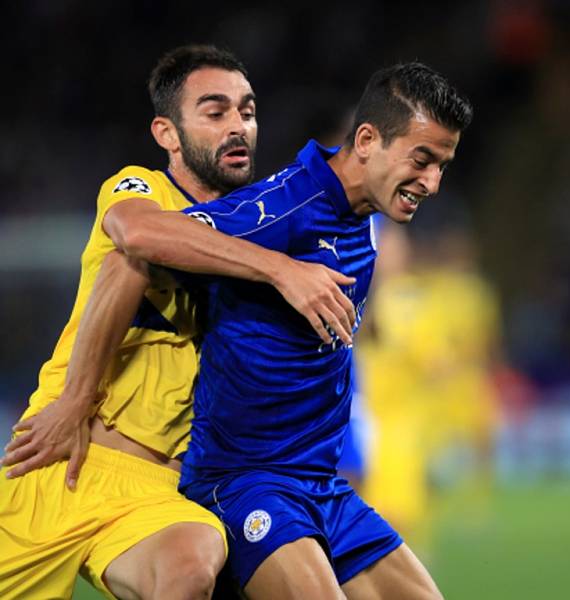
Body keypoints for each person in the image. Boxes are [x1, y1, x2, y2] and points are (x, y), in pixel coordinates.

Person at [0, 45, 355, 600]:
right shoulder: (141, 189)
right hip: (59, 460)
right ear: (167, 133)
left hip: (156, 492)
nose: (238, 126)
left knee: (192, 566)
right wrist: (282, 270)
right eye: (216, 113)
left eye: (248, 110)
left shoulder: (260, 223)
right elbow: (136, 238)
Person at [175, 61, 473, 599]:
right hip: (246, 482)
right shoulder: (287, 205)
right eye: (422, 160)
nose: (432, 183)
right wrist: (279, 269)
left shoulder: (366, 225)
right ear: (365, 140)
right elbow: (142, 231)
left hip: (321, 485)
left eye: (442, 166)